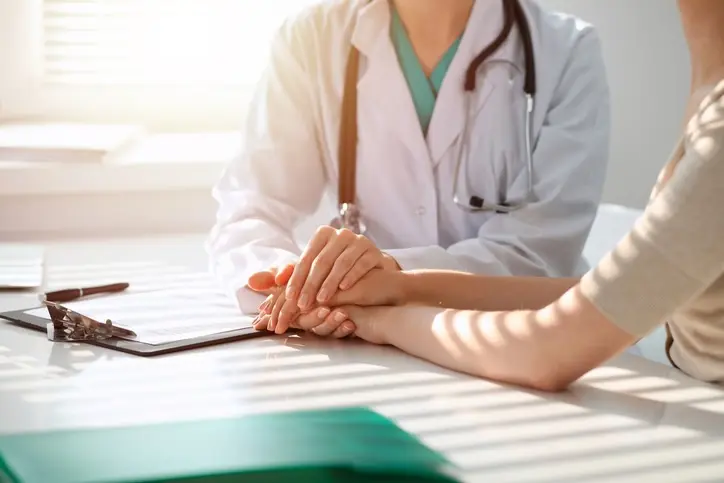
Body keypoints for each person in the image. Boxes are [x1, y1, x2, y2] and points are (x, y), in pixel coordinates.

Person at [255, 0, 724, 390]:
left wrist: (379, 315)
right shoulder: (707, 103)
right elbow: (601, 294)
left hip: (588, 379)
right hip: (471, 351)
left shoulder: (711, 133)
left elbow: (547, 343)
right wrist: (393, 286)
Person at [207, 0, 611, 326]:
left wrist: (392, 274)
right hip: (367, 335)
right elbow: (250, 208)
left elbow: (538, 253)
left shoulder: (565, 52)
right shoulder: (311, 41)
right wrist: (294, 283)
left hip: (524, 339)